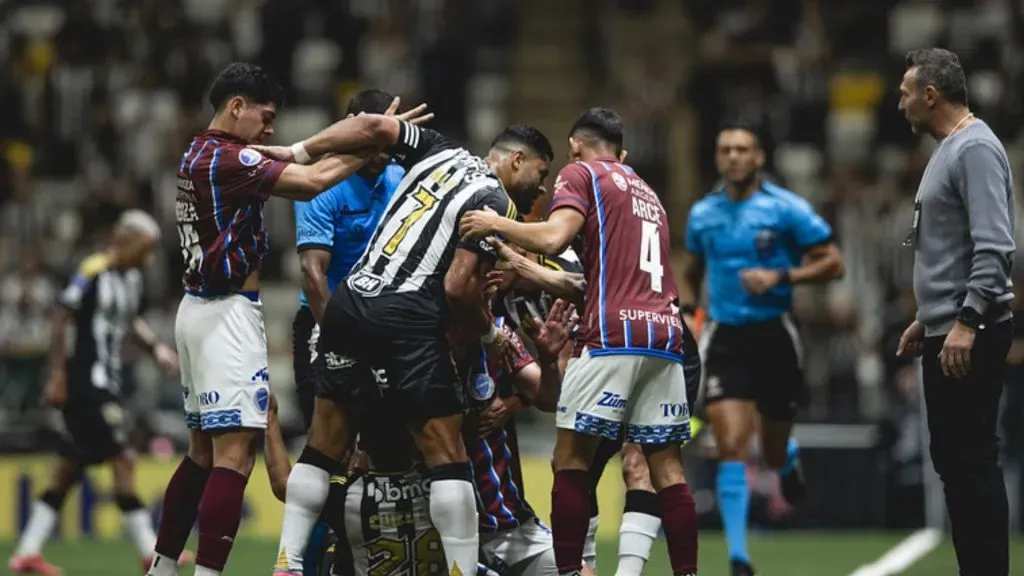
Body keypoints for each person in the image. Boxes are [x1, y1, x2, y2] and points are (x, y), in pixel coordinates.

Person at [148, 62, 428, 576]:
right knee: (235, 457)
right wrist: (373, 140)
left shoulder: (197, 151)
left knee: (200, 456)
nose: (271, 129)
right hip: (226, 313)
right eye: (266, 116)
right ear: (237, 107)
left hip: (197, 311)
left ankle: (163, 567)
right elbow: (312, 182)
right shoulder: (231, 158)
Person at [268, 123, 553, 576]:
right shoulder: (496, 202)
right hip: (407, 314)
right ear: (517, 160)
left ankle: (287, 562)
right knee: (447, 454)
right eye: (541, 172)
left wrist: (298, 149)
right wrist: (489, 336)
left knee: (322, 447)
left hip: (350, 302)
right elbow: (458, 288)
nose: (541, 185)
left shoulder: (438, 149)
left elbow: (376, 126)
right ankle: (462, 571)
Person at [460, 107, 698, 576]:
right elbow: (588, 277)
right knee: (666, 471)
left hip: (612, 336)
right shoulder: (648, 192)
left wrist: (495, 225)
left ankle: (570, 571)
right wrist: (519, 258)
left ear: (574, 146)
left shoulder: (582, 173)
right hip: (666, 336)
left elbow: (553, 237)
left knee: (569, 459)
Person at [680, 122, 844, 576]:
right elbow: (691, 270)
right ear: (717, 157)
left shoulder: (786, 209)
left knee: (768, 452)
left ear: (758, 158)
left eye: (742, 149)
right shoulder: (703, 214)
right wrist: (693, 315)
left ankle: (786, 458)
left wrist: (782, 277)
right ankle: (739, 557)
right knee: (731, 443)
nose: (733, 156)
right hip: (726, 338)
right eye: (725, 149)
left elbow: (834, 263)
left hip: (775, 336)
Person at [488, 237, 703, 576]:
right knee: (571, 465)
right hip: (602, 357)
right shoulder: (504, 299)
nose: (491, 269)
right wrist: (517, 399)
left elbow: (565, 366)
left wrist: (518, 400)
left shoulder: (565, 268)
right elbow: (544, 371)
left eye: (498, 258)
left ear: (522, 253)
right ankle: (585, 568)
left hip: (655, 347)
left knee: (639, 462)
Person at [894, 47, 1015, 576]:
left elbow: (995, 245)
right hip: (949, 327)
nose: (899, 105)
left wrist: (966, 320)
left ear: (930, 95)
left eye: (905, 93)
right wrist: (933, 314)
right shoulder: (950, 149)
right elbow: (953, 246)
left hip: (972, 330)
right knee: (955, 464)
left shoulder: (975, 148)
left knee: (972, 463)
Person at [9, 211, 183, 576]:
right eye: (145, 248)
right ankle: (149, 551)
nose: (147, 258)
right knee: (123, 458)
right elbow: (61, 315)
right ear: (126, 239)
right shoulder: (93, 270)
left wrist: (156, 349)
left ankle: (26, 553)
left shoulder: (132, 278)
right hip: (87, 382)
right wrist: (57, 374)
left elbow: (128, 319)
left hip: (108, 382)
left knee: (68, 468)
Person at [291, 88, 406, 575]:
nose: (381, 151)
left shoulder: (402, 179)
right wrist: (343, 346)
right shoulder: (321, 184)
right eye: (371, 136)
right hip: (324, 326)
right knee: (329, 453)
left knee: (382, 460)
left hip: (384, 330)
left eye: (387, 139)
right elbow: (314, 278)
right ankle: (299, 564)